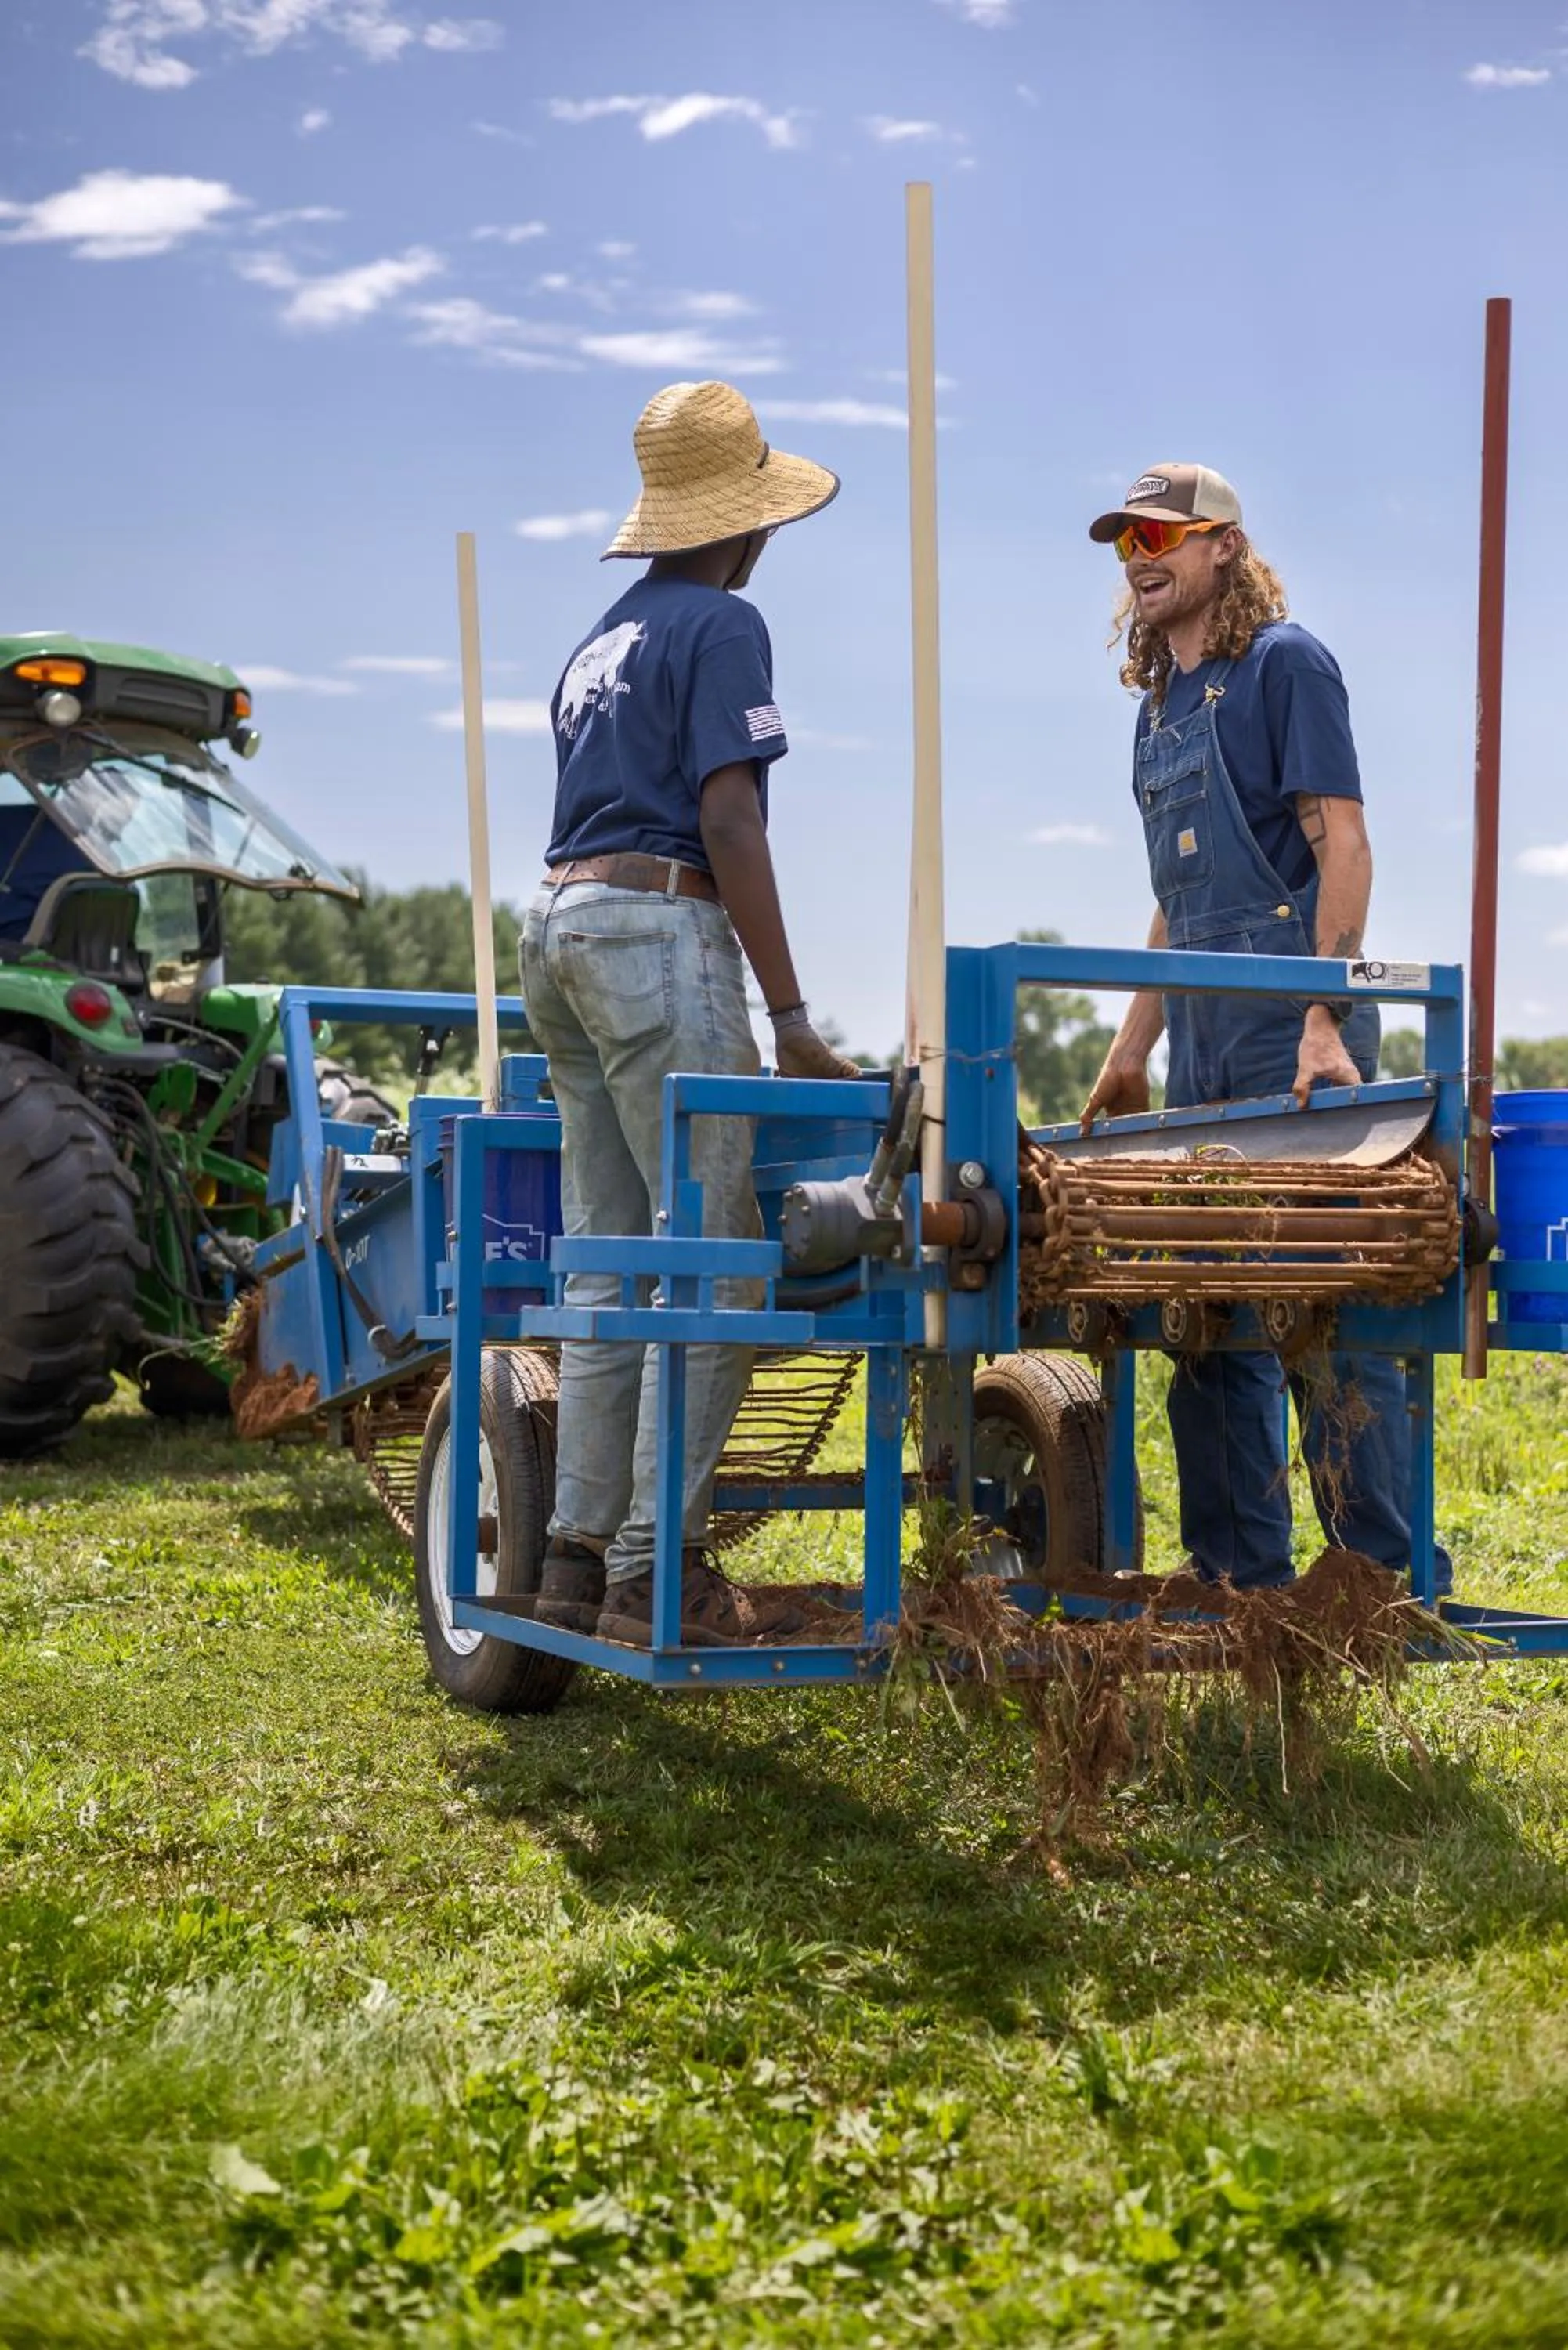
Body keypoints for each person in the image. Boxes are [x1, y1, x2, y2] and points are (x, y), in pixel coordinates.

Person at [522, 379, 860, 1648]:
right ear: (749, 521)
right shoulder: (725, 623)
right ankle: (654, 1566)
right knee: (710, 1256)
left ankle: (569, 1554)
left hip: (559, 928)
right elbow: (728, 819)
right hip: (657, 934)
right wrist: (790, 1015)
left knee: (607, 1258)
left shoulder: (601, 636)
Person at [1079, 461, 1450, 1593]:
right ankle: (1238, 1577)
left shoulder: (1284, 666)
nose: (1141, 560)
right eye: (1125, 545)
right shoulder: (1155, 713)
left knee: (1322, 1307)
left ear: (1223, 550)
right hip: (1195, 1039)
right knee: (1209, 1315)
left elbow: (1340, 839)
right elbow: (1173, 903)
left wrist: (1323, 1018)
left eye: (1162, 539)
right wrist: (1128, 1051)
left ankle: (1372, 1578)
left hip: (1291, 1039)